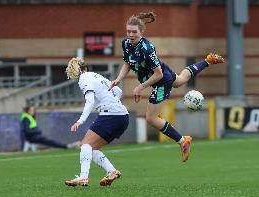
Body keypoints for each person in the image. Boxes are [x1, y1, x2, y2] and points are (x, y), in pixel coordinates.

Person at [109, 12, 225, 162]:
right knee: (181, 80)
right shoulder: (125, 43)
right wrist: (118, 79)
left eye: (134, 32)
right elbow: (127, 63)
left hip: (161, 80)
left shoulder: (147, 48)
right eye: (128, 31)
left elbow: (158, 75)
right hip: (161, 72)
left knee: (151, 118)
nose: (130, 35)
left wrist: (140, 87)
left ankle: (183, 141)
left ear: (141, 32)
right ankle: (208, 61)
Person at [64, 57, 129, 187]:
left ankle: (83, 178)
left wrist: (80, 120)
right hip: (123, 116)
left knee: (85, 145)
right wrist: (112, 102)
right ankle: (112, 171)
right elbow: (118, 91)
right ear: (86, 67)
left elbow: (90, 101)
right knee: (92, 149)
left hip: (110, 115)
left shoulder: (84, 78)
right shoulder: (96, 76)